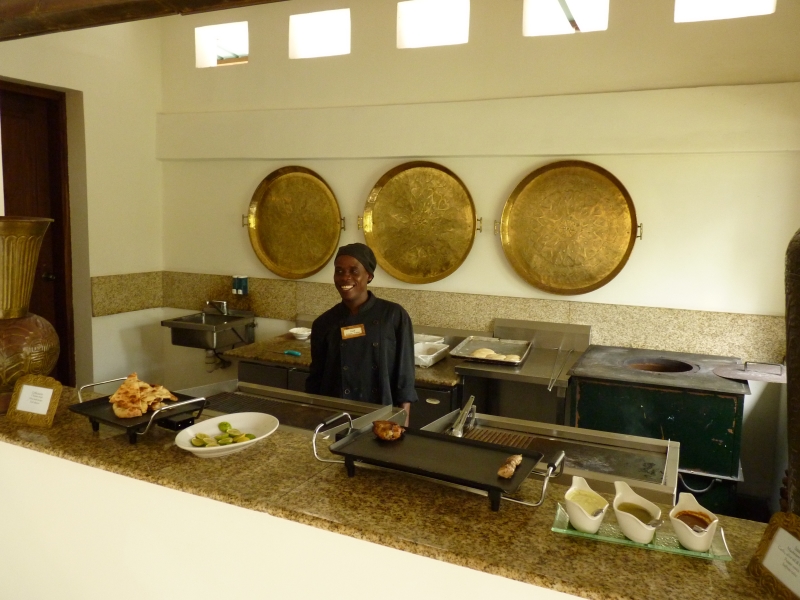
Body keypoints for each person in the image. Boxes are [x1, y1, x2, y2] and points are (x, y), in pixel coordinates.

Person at [306, 243, 417, 424]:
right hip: (336, 417)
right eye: (339, 271)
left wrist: (402, 422)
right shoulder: (324, 323)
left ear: (369, 275)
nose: (345, 277)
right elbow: (316, 380)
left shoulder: (392, 315)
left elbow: (405, 375)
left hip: (381, 417)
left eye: (354, 271)